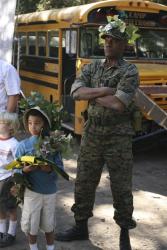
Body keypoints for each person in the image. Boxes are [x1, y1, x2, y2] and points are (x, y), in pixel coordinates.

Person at [55, 17, 140, 250]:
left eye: (114, 40)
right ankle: (80, 226)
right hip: (92, 134)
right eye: (106, 39)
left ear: (124, 44)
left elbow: (118, 104)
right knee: (83, 182)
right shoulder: (92, 66)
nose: (108, 43)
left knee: (121, 187)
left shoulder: (130, 70)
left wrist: (90, 94)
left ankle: (124, 233)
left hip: (118, 136)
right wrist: (105, 90)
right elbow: (75, 92)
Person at [15, 106, 64, 250]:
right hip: (32, 191)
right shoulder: (23, 146)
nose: (33, 126)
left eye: (37, 123)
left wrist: (49, 169)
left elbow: (60, 169)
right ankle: (33, 247)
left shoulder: (53, 145)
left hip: (49, 191)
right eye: (30, 123)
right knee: (32, 224)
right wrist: (24, 169)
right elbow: (16, 170)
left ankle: (50, 247)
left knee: (49, 224)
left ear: (44, 125)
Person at [0, 112, 19, 247]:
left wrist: (16, 183)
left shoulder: (14, 144)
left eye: (2, 122)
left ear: (11, 127)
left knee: (11, 208)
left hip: (8, 179)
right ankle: (1, 232)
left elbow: (18, 165)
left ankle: (11, 234)